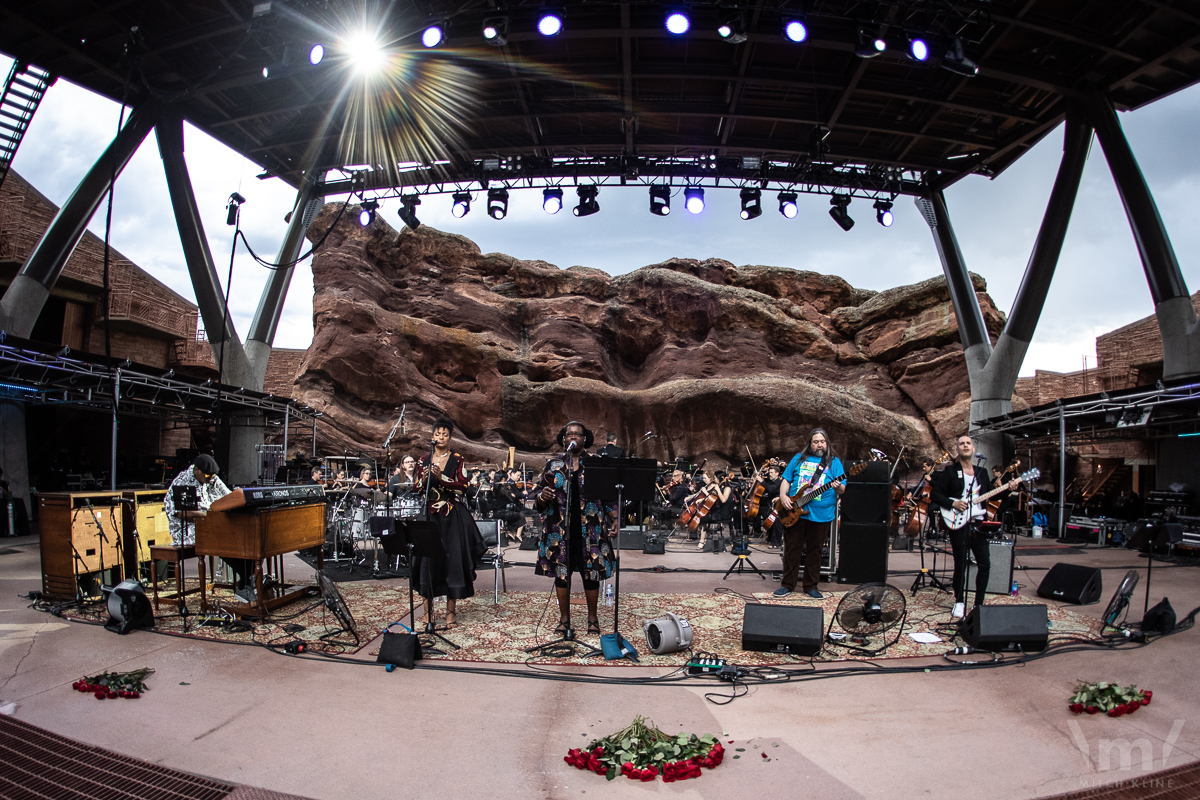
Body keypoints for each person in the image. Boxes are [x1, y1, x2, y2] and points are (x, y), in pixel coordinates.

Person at [534, 421, 616, 636]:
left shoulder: (596, 463)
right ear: (563, 438)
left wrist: (615, 518)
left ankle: (592, 619)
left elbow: (607, 496)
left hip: (591, 530)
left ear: (585, 439)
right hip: (559, 530)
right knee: (562, 574)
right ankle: (564, 619)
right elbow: (539, 499)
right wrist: (542, 497)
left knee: (591, 575)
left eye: (577, 434)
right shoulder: (553, 464)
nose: (572, 437)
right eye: (568, 434)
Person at [930, 434, 1019, 619]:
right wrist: (952, 504)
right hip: (958, 523)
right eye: (961, 443)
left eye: (968, 443)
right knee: (960, 565)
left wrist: (1006, 489)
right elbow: (935, 495)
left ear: (973, 449)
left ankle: (979, 603)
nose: (965, 446)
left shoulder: (982, 472)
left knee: (985, 564)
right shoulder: (949, 471)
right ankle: (959, 601)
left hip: (979, 523)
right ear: (958, 449)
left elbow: (990, 496)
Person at [411, 418, 485, 629]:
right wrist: (424, 479)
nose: (441, 437)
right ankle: (428, 613)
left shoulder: (457, 459)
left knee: (452, 562)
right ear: (432, 436)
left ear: (450, 438)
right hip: (429, 516)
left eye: (445, 434)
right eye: (438, 434)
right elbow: (416, 488)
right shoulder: (423, 460)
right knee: (427, 562)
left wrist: (441, 477)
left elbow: (463, 487)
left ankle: (451, 613)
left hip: (452, 516)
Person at [163, 454, 252, 602]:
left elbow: (228, 496)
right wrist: (210, 517)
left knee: (240, 534)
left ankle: (246, 580)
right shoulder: (182, 482)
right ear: (196, 470)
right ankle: (247, 578)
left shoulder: (211, 478)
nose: (211, 478)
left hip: (208, 522)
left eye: (213, 475)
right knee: (219, 537)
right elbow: (178, 513)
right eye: (207, 475)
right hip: (186, 529)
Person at [774, 429, 845, 599]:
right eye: (816, 441)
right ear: (810, 443)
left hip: (821, 514)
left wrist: (837, 487)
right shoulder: (798, 458)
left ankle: (811, 586)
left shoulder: (834, 462)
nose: (819, 444)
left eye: (822, 441)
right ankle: (787, 585)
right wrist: (783, 495)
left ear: (827, 443)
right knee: (792, 549)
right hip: (795, 511)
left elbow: (842, 488)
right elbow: (786, 479)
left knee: (815, 550)